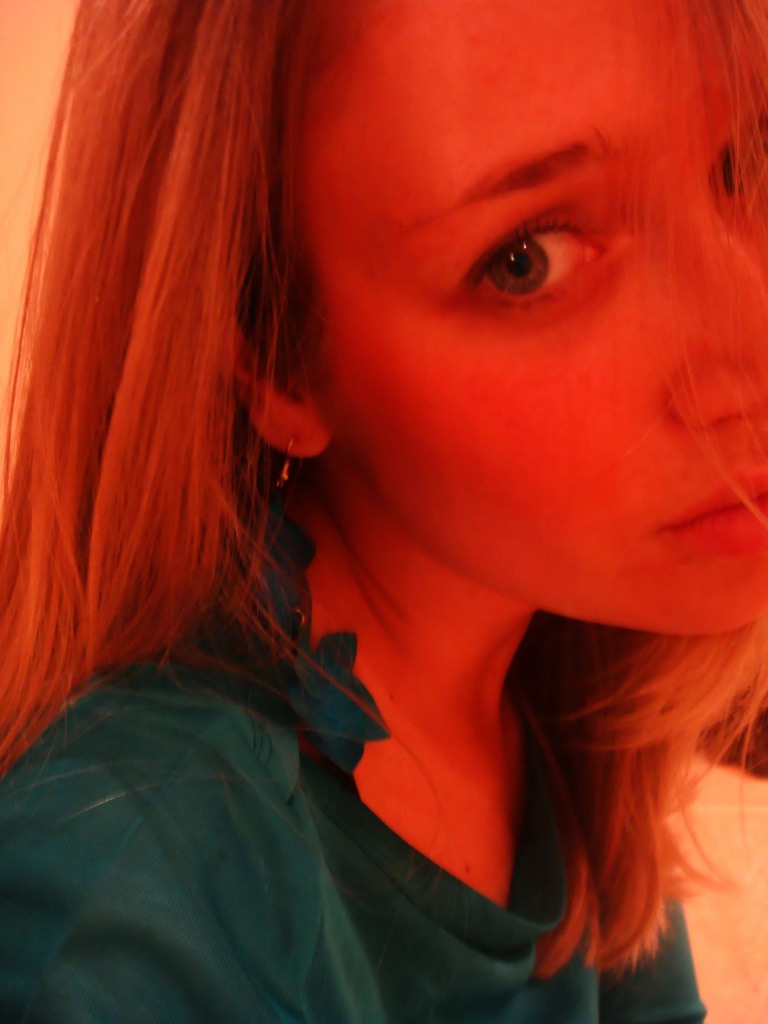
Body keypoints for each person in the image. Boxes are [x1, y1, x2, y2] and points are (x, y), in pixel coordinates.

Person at [0, 0, 767, 1019]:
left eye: (749, 165)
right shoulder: (134, 894)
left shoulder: (568, 696)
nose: (751, 338)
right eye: (527, 258)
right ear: (277, 359)